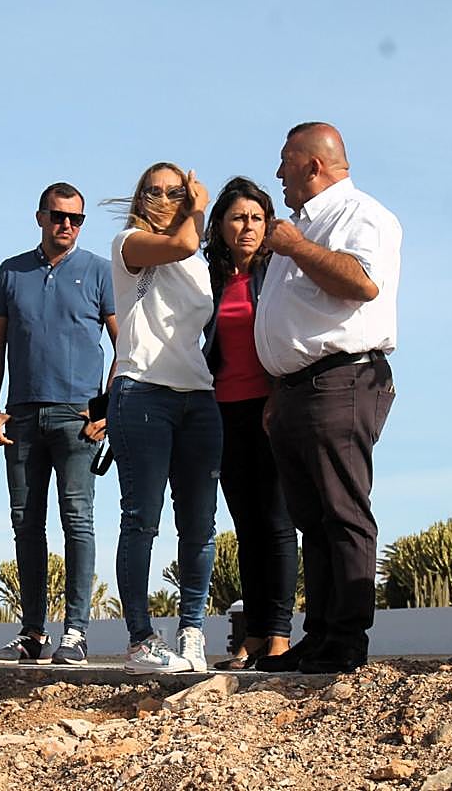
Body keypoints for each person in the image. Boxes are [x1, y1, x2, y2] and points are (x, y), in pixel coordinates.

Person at [254, 123, 402, 674]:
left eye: (285, 162)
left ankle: (346, 639)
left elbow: (362, 283)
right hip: (297, 391)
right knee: (311, 519)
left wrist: (296, 247)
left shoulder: (362, 216)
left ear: (313, 164)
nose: (278, 175)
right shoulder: (300, 227)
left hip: (342, 380)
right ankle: (318, 637)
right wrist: (278, 388)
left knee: (342, 511)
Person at [0, 182, 117, 666]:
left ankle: (76, 633)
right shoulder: (11, 271)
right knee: (26, 524)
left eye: (76, 219)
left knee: (77, 520)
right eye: (58, 216)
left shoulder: (100, 271)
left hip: (77, 418)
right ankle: (32, 633)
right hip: (20, 417)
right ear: (40, 217)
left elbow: (126, 346)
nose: (66, 225)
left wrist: (107, 409)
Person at [106, 162, 221, 675]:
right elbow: (180, 245)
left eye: (175, 191)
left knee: (199, 525)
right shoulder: (130, 243)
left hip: (198, 396)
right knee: (141, 520)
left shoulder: (202, 261)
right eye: (152, 189)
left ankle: (192, 631)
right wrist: (198, 206)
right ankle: (139, 642)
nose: (163, 197)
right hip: (142, 392)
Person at [201, 176, 298, 670]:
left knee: (278, 523)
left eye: (258, 218)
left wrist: (279, 394)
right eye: (239, 217)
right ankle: (254, 634)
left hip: (271, 405)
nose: (248, 226)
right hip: (223, 409)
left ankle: (279, 634)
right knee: (246, 527)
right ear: (219, 225)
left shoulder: (279, 271)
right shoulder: (209, 276)